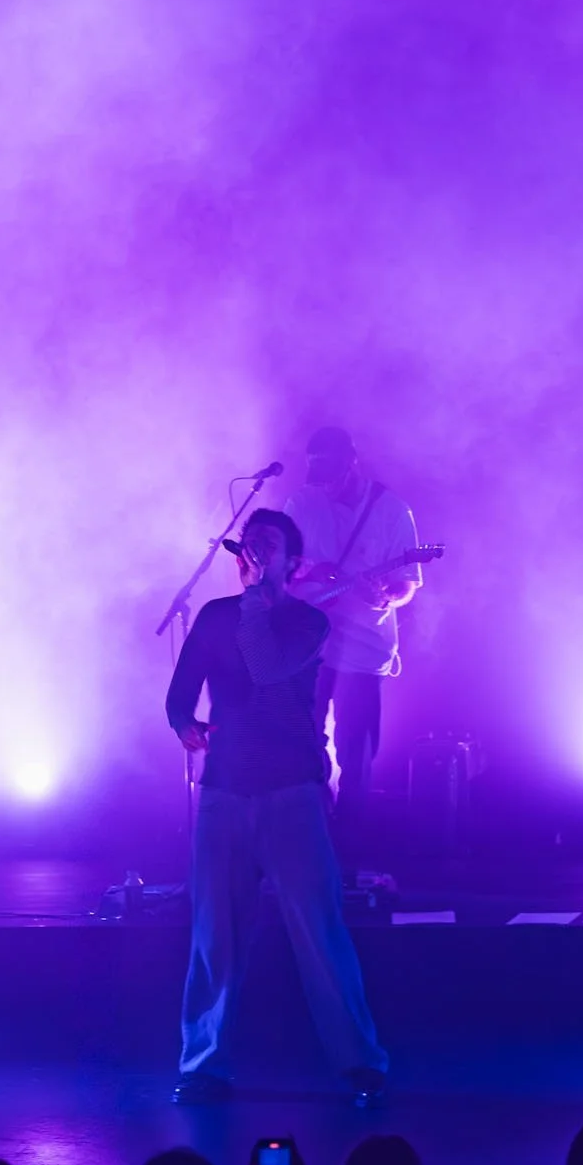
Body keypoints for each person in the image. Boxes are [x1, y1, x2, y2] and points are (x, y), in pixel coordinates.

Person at [165, 507, 388, 1108]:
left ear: (293, 562)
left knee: (319, 932)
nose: (254, 555)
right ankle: (204, 1065)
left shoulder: (308, 622)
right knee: (216, 937)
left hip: (292, 793)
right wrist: (185, 724)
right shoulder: (213, 617)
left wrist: (261, 600)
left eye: (268, 546)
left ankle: (360, 1064)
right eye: (250, 547)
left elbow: (264, 665)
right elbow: (179, 693)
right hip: (224, 795)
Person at [283, 426, 424, 848]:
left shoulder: (392, 511)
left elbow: (407, 581)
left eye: (331, 473)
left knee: (356, 748)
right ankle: (315, 821)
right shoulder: (301, 504)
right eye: (317, 474)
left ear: (351, 463)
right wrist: (312, 569)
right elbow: (282, 560)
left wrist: (385, 596)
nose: (324, 484)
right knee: (305, 737)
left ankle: (350, 841)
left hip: (364, 647)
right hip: (310, 642)